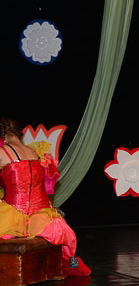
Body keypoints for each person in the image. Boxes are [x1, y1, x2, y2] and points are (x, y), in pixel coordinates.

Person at [0, 117, 91, 276]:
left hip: (11, 217)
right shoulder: (35, 153)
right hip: (40, 217)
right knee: (67, 237)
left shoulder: (2, 151)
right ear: (19, 134)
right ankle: (73, 264)